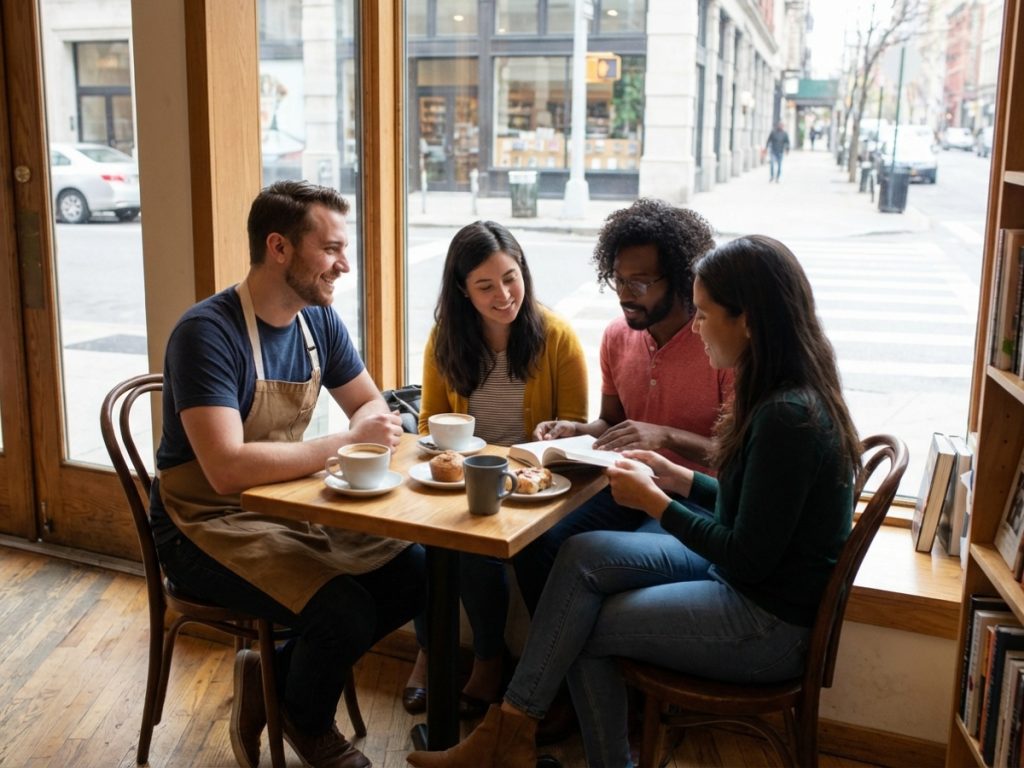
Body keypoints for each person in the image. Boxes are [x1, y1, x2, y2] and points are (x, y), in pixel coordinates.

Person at [405, 234, 862, 768]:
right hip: (751, 589)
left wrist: (657, 504)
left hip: (767, 623)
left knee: (581, 625)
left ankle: (523, 739)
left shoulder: (786, 416)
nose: (696, 326)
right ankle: (512, 734)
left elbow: (746, 557)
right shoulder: (781, 394)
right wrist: (679, 479)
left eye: (705, 314)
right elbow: (749, 506)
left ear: (749, 321)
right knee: (579, 555)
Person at [150, 180, 426, 768]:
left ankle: (270, 679)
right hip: (201, 524)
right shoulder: (206, 334)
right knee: (343, 611)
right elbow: (225, 469)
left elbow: (370, 404)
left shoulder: (317, 322)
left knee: (418, 569)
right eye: (331, 249)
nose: (344, 265)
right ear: (279, 248)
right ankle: (307, 721)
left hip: (282, 506)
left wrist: (370, 426)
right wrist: (346, 444)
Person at [402, 220, 588, 719]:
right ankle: (429, 651)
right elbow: (429, 422)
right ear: (462, 290)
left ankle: (487, 662)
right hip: (467, 478)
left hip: (530, 488)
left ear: (523, 269)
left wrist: (555, 435)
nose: (503, 295)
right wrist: (455, 458)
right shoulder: (445, 338)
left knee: (476, 549)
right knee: (421, 542)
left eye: (511, 278)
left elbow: (576, 431)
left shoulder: (557, 338)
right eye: (485, 286)